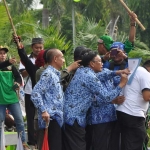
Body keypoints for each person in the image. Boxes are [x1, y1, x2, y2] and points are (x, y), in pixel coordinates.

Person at [63, 50, 128, 150]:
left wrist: (117, 72)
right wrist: (121, 84)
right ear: (92, 64)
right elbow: (106, 97)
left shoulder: (82, 70)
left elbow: (101, 75)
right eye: (99, 61)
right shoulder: (90, 77)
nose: (102, 63)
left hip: (70, 115)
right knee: (78, 147)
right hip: (74, 118)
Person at [31, 49, 65, 150]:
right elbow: (35, 93)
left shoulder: (55, 74)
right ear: (55, 59)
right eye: (62, 57)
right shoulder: (48, 74)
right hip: (50, 119)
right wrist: (44, 110)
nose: (63, 60)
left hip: (56, 119)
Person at [14, 36, 44, 148]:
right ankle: (33, 141)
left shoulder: (52, 69)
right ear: (32, 47)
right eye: (36, 47)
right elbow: (24, 59)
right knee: (32, 118)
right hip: (30, 92)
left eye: (41, 48)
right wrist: (19, 44)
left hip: (44, 98)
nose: (38, 49)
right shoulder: (35, 68)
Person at [116, 60, 150, 150]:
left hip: (122, 111)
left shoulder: (134, 70)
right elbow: (147, 96)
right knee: (134, 144)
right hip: (133, 114)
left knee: (126, 144)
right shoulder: (146, 74)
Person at [0, 47, 29, 149]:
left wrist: (17, 83)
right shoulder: (6, 64)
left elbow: (18, 77)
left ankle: (23, 143)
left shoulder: (11, 67)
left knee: (19, 121)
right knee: (0, 122)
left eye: (4, 53)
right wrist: (8, 62)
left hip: (12, 98)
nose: (3, 55)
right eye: (0, 53)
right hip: (0, 100)